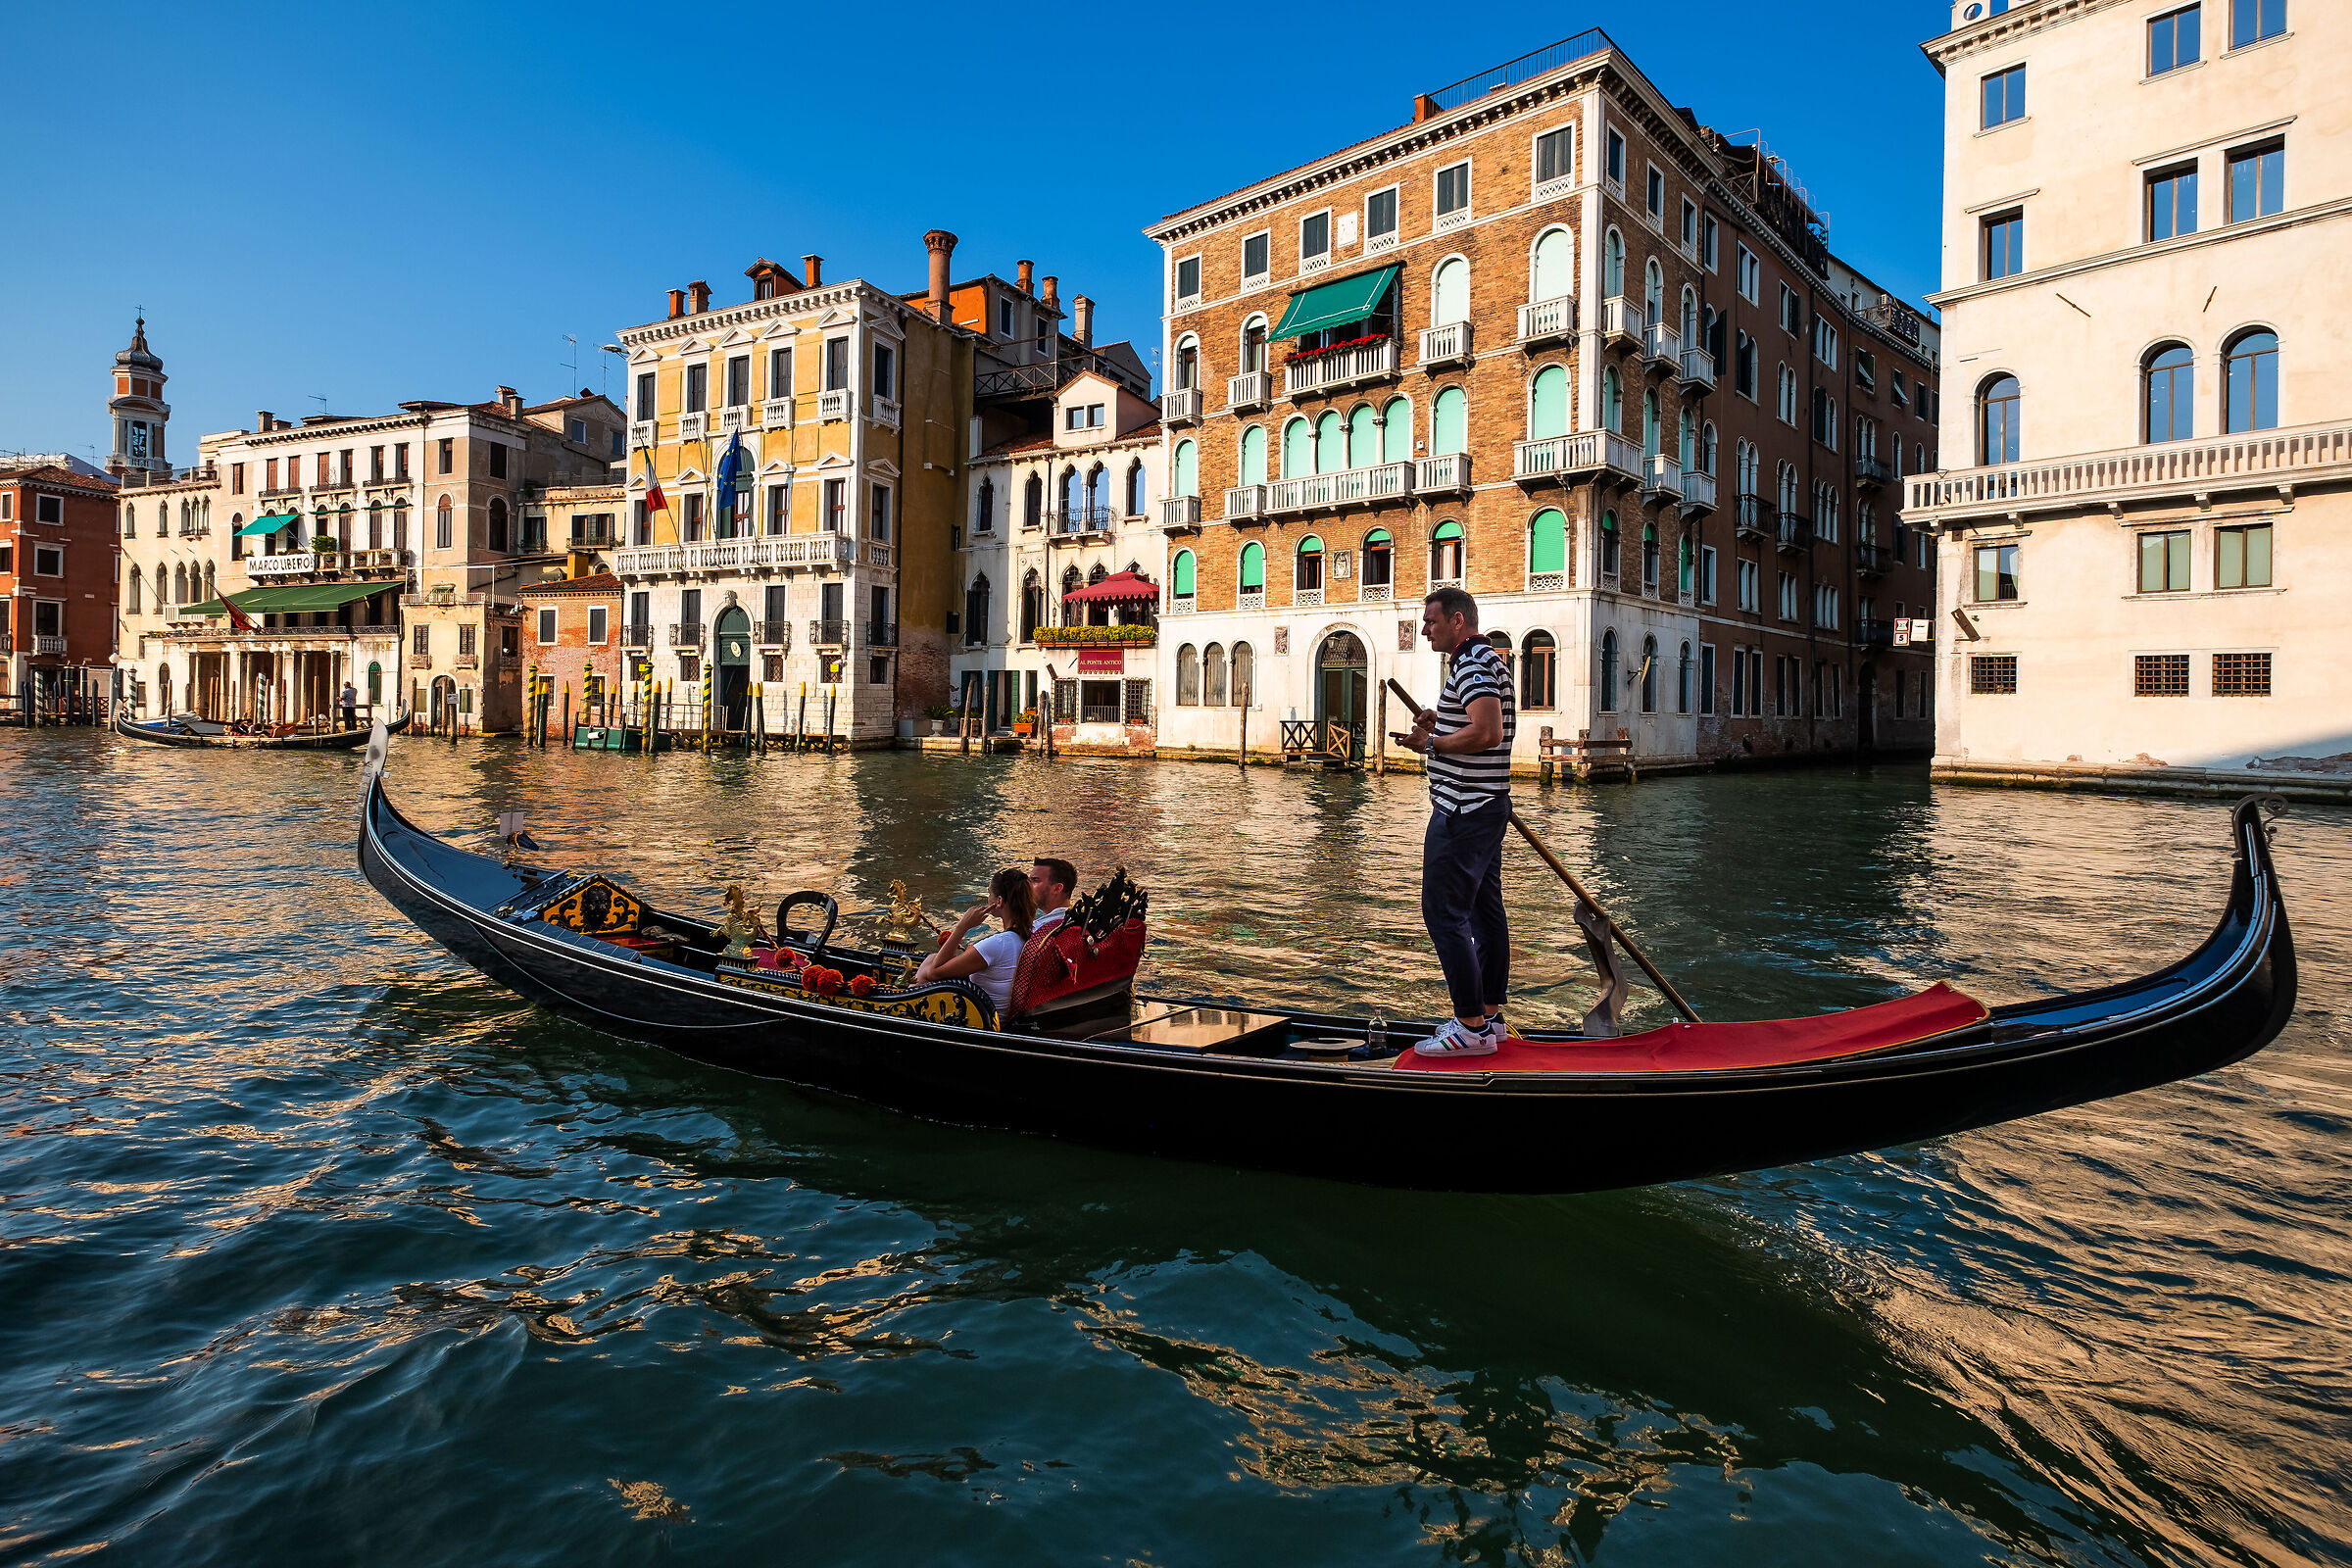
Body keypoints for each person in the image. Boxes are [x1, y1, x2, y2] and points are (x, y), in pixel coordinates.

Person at [1396, 585, 1517, 1056]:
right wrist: (1440, 724)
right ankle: (1490, 1015)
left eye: (1432, 621)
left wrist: (1432, 744)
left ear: (1458, 622)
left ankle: (1469, 1028)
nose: (1426, 628)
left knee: (1444, 913)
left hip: (1464, 810)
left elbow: (1487, 732)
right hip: (1487, 804)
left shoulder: (1470, 665)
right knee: (1486, 912)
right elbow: (1477, 723)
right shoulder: (1488, 662)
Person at [911, 868, 1038, 1015]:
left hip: (984, 1019)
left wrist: (963, 926)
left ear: (999, 901)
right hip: (1001, 1012)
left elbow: (934, 973)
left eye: (989, 893)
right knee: (931, 959)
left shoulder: (998, 944)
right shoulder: (1030, 934)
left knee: (927, 968)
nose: (988, 897)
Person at [1028, 858, 1077, 935]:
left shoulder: (1038, 930)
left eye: (1035, 880)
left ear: (1057, 888)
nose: (1028, 886)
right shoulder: (1079, 922)